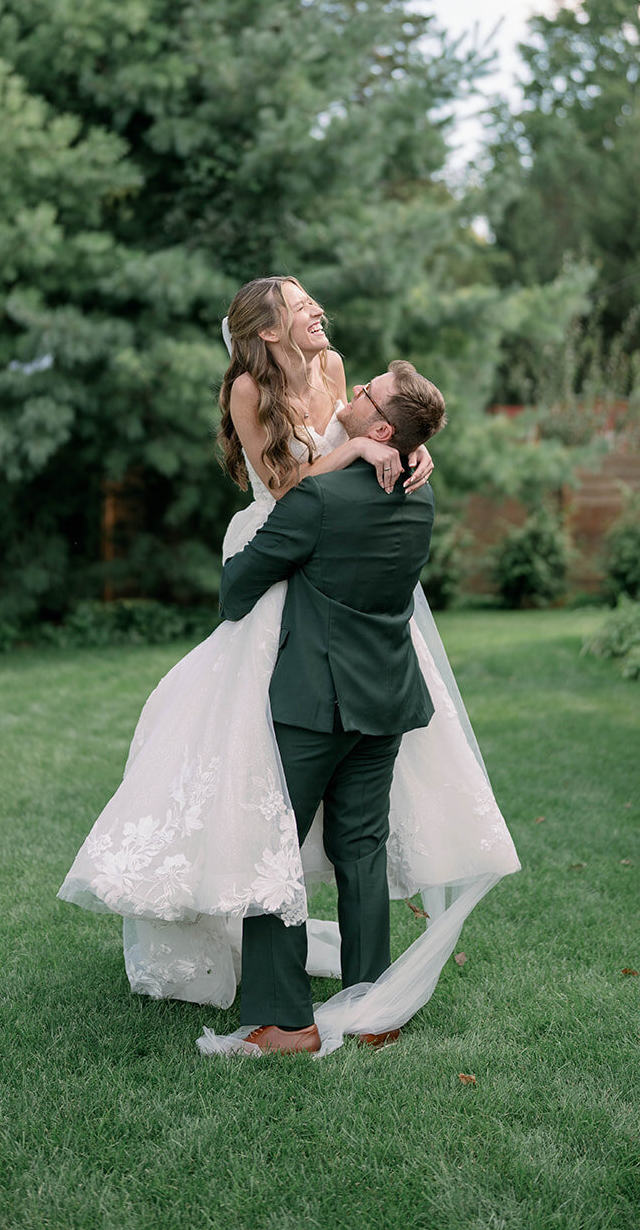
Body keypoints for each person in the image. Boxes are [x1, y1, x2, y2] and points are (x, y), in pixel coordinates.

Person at [58, 276, 519, 1056]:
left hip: (310, 582)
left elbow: (370, 425)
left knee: (268, 820)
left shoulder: (335, 369)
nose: (315, 309)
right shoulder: (250, 388)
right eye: (297, 303)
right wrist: (364, 448)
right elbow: (282, 483)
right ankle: (374, 1007)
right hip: (306, 554)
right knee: (355, 836)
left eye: (311, 301)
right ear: (267, 332)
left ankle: (282, 1020)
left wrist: (403, 445)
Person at [220, 359, 448, 1054]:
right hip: (384, 697)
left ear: (379, 425)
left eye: (367, 392)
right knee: (360, 850)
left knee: (274, 850)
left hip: (312, 704)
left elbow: (237, 588)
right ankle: (375, 1010)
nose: (352, 392)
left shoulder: (319, 501)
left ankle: (284, 1022)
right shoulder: (420, 497)